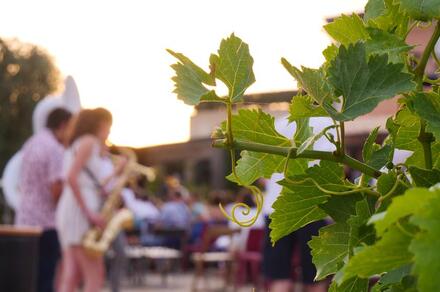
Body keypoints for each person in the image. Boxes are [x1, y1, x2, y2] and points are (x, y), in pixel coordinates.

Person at [262, 117, 333, 292]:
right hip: (311, 206)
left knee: (280, 275)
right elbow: (334, 167)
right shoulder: (330, 123)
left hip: (276, 206)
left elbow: (264, 172)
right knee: (315, 275)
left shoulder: (280, 123)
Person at [56, 107, 117, 292]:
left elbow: (83, 181)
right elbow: (72, 177)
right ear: (101, 124)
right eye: (109, 126)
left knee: (72, 275)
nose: (110, 131)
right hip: (79, 213)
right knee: (95, 273)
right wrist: (90, 213)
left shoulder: (81, 143)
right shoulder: (90, 141)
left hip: (72, 210)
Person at [15, 107, 73, 292]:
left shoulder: (31, 143)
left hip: (24, 221)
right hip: (46, 224)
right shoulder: (54, 149)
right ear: (63, 125)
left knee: (27, 279)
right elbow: (56, 190)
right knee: (45, 279)